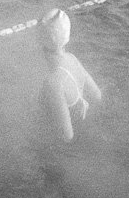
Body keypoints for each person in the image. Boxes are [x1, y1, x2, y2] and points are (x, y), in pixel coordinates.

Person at [36, 9, 102, 143]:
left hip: (68, 143)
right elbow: (97, 95)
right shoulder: (72, 59)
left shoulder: (54, 82)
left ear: (40, 41)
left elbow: (67, 136)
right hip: (83, 125)